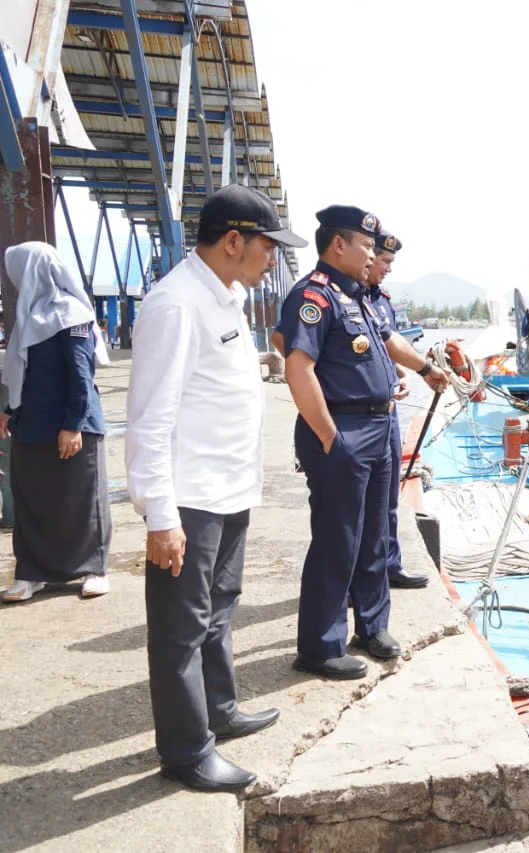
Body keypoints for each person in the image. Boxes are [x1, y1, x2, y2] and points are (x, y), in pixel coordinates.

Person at [126, 183, 307, 793]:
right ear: (233, 241)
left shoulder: (225, 297)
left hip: (229, 488)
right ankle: (187, 752)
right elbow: (150, 418)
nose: (272, 260)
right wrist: (160, 516)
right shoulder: (176, 305)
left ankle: (220, 710)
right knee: (179, 630)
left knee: (219, 610)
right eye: (267, 247)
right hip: (190, 496)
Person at [277, 205, 447, 681]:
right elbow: (298, 368)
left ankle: (372, 627)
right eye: (367, 246)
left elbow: (388, 342)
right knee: (338, 540)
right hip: (343, 429)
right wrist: (330, 438)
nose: (373, 255)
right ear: (338, 245)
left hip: (378, 425)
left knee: (374, 534)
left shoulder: (360, 297)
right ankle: (320, 646)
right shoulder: (313, 296)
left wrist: (424, 368)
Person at [0, 242, 112, 603]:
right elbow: (24, 372)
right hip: (31, 424)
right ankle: (31, 573)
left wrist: (74, 424)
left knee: (82, 502)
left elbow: (81, 374)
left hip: (73, 424)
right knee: (32, 501)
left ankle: (94, 569)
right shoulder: (29, 316)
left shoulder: (72, 313)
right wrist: (9, 409)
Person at [365, 229, 429, 589]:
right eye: (384, 261)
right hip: (358, 416)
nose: (388, 269)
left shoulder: (382, 299)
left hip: (387, 411)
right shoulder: (347, 298)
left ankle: (390, 565)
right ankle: (359, 578)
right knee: (358, 506)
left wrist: (400, 373)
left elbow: (385, 345)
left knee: (388, 496)